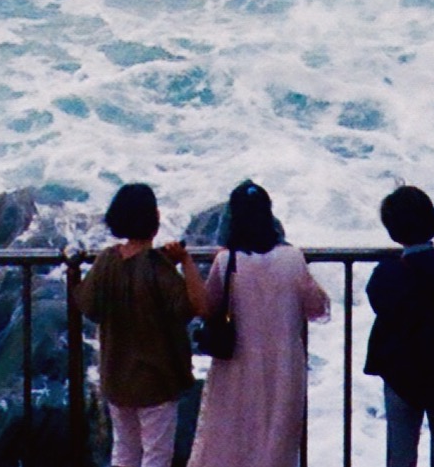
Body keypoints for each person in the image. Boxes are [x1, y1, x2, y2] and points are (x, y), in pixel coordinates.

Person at [187, 179, 330, 467]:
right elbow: (317, 308)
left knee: (233, 437)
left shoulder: (226, 262)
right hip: (284, 366)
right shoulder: (293, 259)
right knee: (277, 442)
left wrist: (186, 264)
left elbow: (208, 308)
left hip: (237, 364)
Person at [75, 182, 208, 467]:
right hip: (156, 380)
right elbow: (198, 306)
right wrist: (185, 261)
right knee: (156, 454)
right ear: (154, 220)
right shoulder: (158, 266)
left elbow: (88, 305)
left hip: (116, 378)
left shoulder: (106, 261)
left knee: (124, 451)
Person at [363, 185, 434, 467]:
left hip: (402, 373)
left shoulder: (387, 274)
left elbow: (379, 303)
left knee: (400, 452)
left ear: (393, 231)